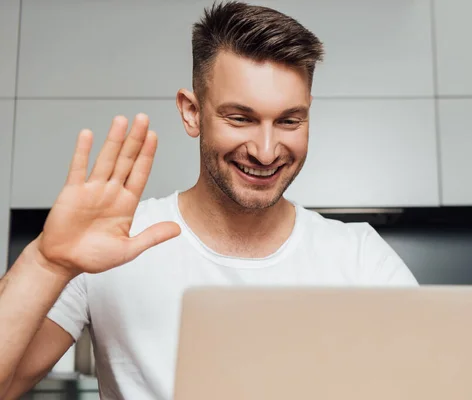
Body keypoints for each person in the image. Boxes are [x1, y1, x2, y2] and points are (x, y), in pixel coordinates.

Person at [0, 1, 418, 399]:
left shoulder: (361, 258)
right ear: (191, 112)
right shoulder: (114, 244)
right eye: (241, 118)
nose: (267, 150)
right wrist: (47, 263)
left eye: (289, 121)